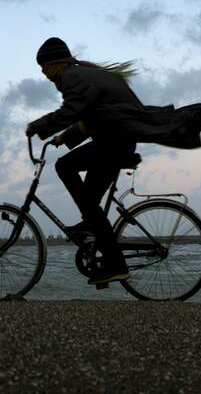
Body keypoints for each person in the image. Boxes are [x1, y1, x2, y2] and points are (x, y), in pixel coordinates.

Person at [24, 37, 144, 285]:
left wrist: (38, 126)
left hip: (114, 141)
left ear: (56, 63)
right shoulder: (86, 74)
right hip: (118, 138)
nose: (43, 73)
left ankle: (115, 263)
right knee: (89, 203)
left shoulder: (72, 77)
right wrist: (65, 138)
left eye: (44, 67)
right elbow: (92, 117)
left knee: (64, 166)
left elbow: (72, 111)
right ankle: (91, 227)